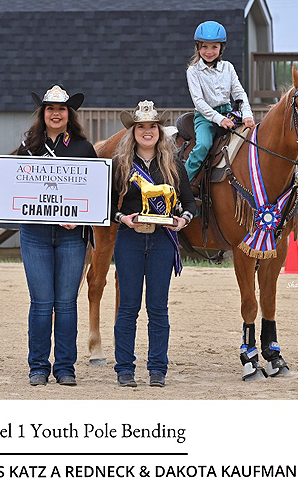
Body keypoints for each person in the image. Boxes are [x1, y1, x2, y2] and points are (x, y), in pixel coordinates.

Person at [8, 85, 96, 386]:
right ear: (43, 113)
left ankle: (65, 367)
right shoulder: (28, 146)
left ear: (69, 114)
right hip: (35, 234)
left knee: (67, 303)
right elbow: (14, 184)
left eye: (61, 109)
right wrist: (0, 192)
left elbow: (97, 194)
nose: (56, 114)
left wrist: (79, 217)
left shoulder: (84, 148)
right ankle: (38, 366)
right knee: (42, 303)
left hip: (72, 236)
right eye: (50, 109)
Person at [111, 100, 196, 388]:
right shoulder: (120, 165)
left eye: (152, 126)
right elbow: (108, 205)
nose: (147, 131)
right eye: (141, 127)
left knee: (158, 308)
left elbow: (189, 203)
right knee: (128, 307)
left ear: (159, 131)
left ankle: (158, 369)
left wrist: (182, 220)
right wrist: (123, 218)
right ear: (133, 132)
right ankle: (124, 369)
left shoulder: (173, 164)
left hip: (162, 241)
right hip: (130, 240)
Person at [184, 20, 255, 181]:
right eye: (204, 47)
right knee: (203, 145)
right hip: (205, 117)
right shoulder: (193, 71)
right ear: (198, 47)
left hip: (229, 113)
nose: (209, 51)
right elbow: (199, 102)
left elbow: (239, 93)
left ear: (221, 48)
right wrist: (219, 119)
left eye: (214, 47)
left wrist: (247, 115)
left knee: (251, 140)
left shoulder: (228, 67)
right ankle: (182, 184)